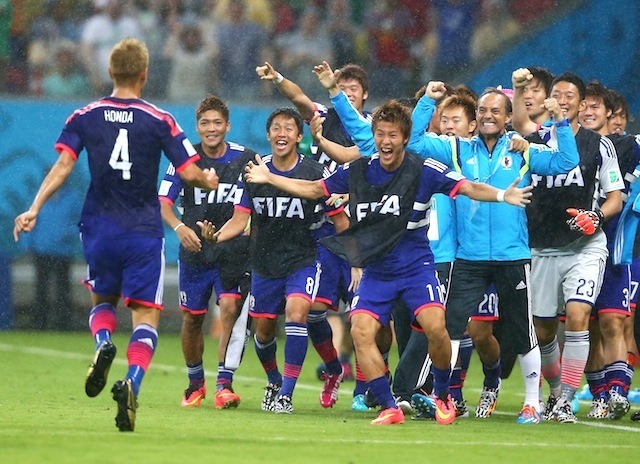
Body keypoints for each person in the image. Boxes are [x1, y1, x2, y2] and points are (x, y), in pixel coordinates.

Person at [240, 100, 534, 425]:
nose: (385, 141)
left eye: (392, 135)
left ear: (405, 138)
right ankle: (388, 405)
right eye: (379, 134)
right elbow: (314, 189)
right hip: (378, 272)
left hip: (416, 268)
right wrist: (269, 178)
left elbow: (467, 187)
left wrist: (500, 195)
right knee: (361, 331)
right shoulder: (360, 170)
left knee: (437, 327)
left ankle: (442, 395)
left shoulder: (424, 169)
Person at [13, 38, 219, 432]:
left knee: (102, 299)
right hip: (142, 231)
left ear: (110, 72)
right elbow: (190, 172)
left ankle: (102, 343)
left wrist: (34, 207)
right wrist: (208, 181)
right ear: (145, 74)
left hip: (100, 228)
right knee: (145, 317)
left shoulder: (85, 115)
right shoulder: (160, 119)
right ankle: (132, 383)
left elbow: (63, 165)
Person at [407, 82, 579, 424]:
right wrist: (427, 100)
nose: (488, 116)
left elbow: (566, 161)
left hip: (512, 254)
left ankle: (532, 402)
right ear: (475, 118)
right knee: (452, 326)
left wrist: (560, 123)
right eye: (483, 111)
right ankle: (442, 397)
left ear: (507, 118)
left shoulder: (522, 150)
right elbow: (413, 143)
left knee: (522, 330)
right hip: (468, 257)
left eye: (495, 111)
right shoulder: (457, 149)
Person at [198, 107, 349, 414]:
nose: (282, 133)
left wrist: (357, 259)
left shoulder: (313, 172)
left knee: (299, 312)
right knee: (264, 330)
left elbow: (341, 221)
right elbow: (240, 221)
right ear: (268, 135)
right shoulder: (253, 172)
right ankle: (275, 380)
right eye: (276, 128)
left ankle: (287, 396)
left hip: (303, 258)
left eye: (288, 129)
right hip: (264, 262)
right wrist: (217, 237)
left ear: (298, 136)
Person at [257, 60, 372, 407]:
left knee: (364, 317)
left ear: (365, 95)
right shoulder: (322, 115)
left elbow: (372, 170)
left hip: (363, 228)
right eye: (343, 87)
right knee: (314, 311)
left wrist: (350, 194)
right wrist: (277, 77)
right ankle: (334, 370)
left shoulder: (372, 129)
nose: (348, 93)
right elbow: (299, 98)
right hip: (323, 229)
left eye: (354, 88)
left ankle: (366, 390)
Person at [524, 72, 624, 423]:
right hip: (540, 248)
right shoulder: (532, 141)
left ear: (582, 105)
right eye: (556, 95)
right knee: (543, 330)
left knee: (579, 316)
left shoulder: (600, 145)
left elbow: (615, 198)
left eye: (569, 96)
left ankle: (566, 399)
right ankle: (554, 392)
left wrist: (596, 217)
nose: (562, 101)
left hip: (584, 246)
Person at [158, 95, 257, 410]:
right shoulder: (185, 161)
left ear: (227, 125)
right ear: (197, 127)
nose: (211, 129)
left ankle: (224, 384)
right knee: (192, 319)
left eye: (217, 122)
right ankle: (195, 382)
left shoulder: (246, 160)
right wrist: (179, 228)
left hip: (232, 252)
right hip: (195, 253)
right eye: (205, 123)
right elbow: (163, 203)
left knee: (229, 307)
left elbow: (264, 195)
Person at [576, 82, 638, 420]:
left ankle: (617, 393)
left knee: (615, 322)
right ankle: (599, 394)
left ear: (609, 115)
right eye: (584, 105)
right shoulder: (568, 148)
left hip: (615, 249)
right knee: (584, 325)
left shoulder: (626, 147)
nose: (588, 111)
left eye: (596, 107)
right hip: (575, 252)